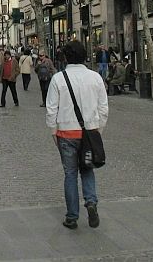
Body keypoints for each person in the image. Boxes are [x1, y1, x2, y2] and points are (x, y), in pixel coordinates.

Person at [46, 40, 108, 230]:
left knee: (70, 174)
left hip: (66, 132)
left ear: (65, 57)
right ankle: (91, 201)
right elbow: (103, 108)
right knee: (87, 169)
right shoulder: (95, 77)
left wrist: (53, 132)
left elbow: (51, 110)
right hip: (89, 131)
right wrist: (98, 129)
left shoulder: (58, 78)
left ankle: (72, 216)